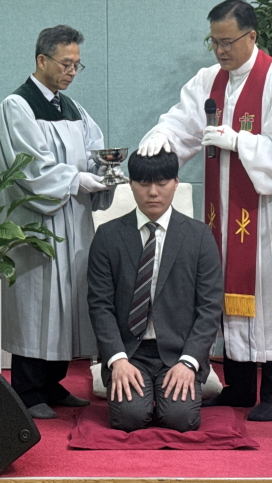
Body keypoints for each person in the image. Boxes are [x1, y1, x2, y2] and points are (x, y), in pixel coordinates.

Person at [137, 0, 272, 421]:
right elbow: (181, 122)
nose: (221, 50)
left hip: (269, 216)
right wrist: (160, 137)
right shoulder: (209, 80)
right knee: (224, 294)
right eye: (215, 42)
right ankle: (239, 388)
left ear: (251, 36)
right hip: (222, 214)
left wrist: (241, 142)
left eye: (228, 42)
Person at [0, 24, 115, 420]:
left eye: (77, 65)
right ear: (42, 59)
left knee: (68, 302)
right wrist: (78, 180)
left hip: (74, 222)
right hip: (38, 224)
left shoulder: (73, 108)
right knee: (38, 305)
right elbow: (30, 168)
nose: (72, 72)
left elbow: (95, 149)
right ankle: (27, 390)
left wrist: (104, 171)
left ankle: (52, 383)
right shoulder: (17, 106)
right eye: (66, 64)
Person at [87, 150, 223, 432]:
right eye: (143, 183)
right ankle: (141, 392)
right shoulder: (108, 236)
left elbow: (210, 307)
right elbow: (100, 305)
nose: (152, 192)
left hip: (178, 352)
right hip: (130, 352)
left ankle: (168, 394)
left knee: (180, 419)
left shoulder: (199, 236)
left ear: (176, 182)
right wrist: (117, 359)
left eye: (162, 183)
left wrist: (189, 362)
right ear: (130, 184)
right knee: (129, 419)